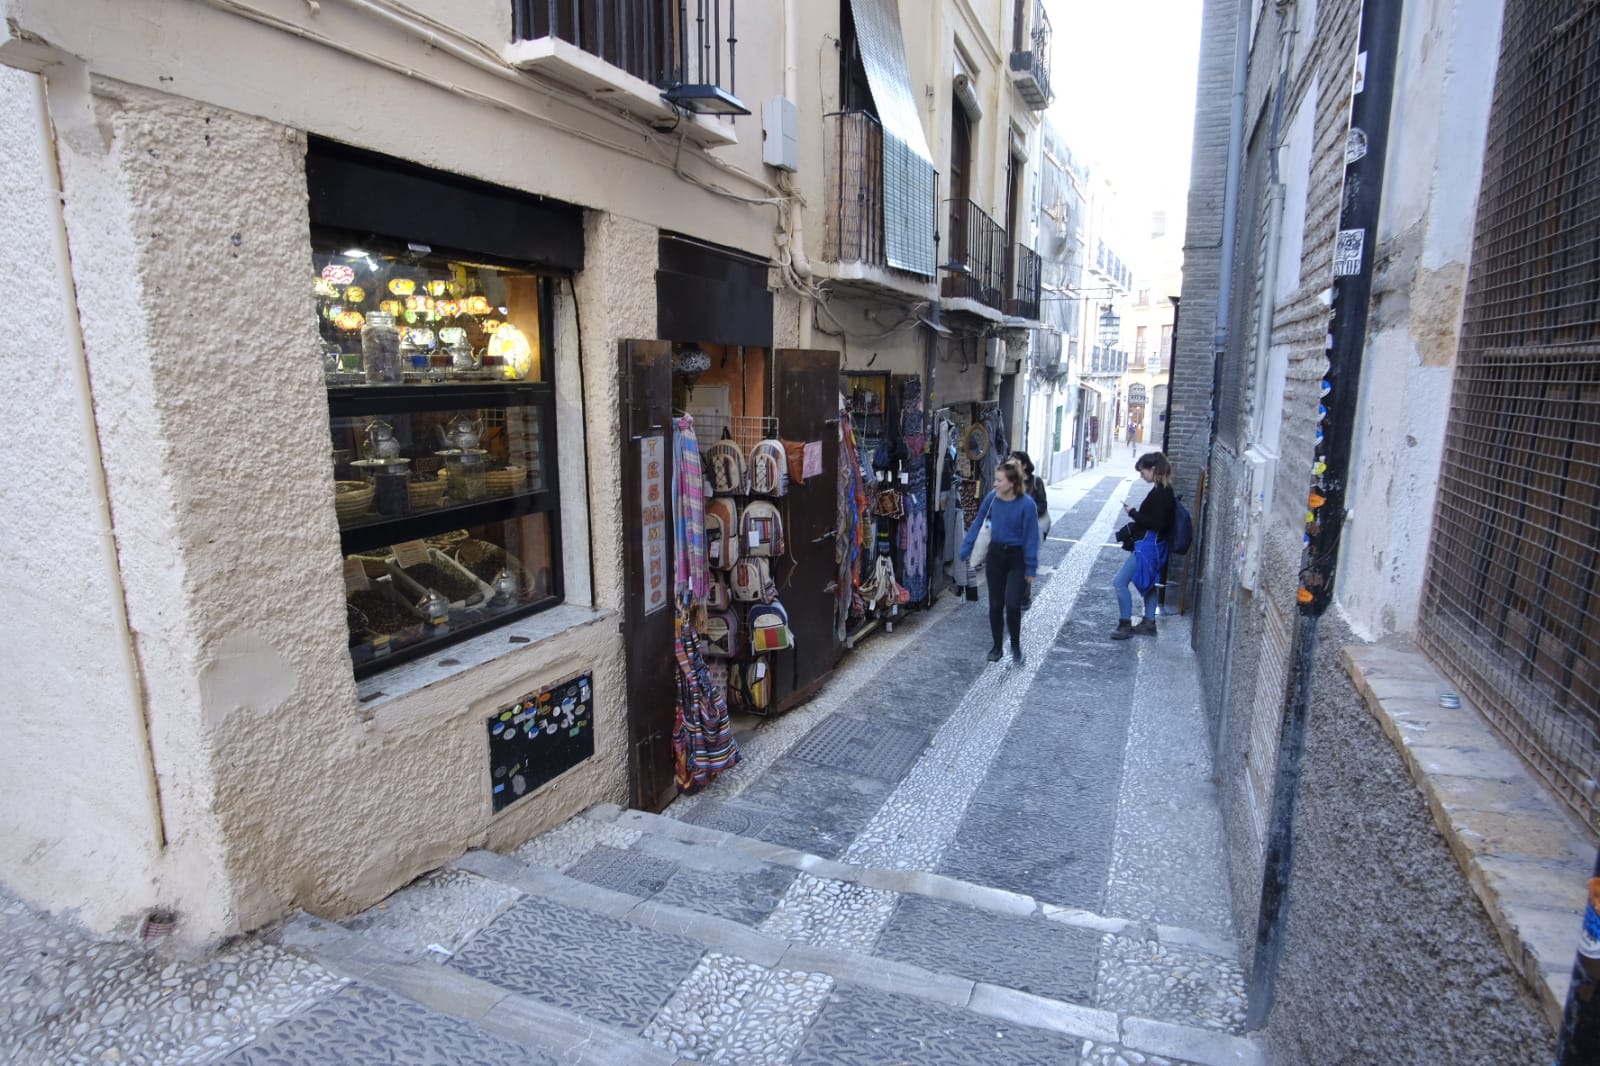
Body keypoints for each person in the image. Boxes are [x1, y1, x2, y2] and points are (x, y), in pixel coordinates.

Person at [958, 460, 1039, 664]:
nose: (994, 484)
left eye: (999, 480)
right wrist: (966, 546)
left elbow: (1031, 537)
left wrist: (1031, 567)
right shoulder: (992, 499)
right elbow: (979, 522)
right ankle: (996, 647)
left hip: (1017, 558)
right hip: (996, 556)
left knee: (1012, 604)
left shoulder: (1027, 505)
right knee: (995, 605)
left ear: (1012, 482)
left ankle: (1015, 645)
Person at [1111, 451, 1176, 639]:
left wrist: (1133, 513)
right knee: (1148, 584)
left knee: (1120, 582)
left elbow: (1156, 523)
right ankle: (1149, 622)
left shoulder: (1161, 494)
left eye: (1143, 472)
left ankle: (1125, 625)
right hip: (1154, 545)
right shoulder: (1163, 491)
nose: (1141, 476)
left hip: (1148, 547)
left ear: (1153, 469)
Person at [1011, 450, 1050, 610]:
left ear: (1024, 465)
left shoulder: (1036, 482)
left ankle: (1024, 597)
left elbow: (1043, 504)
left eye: (1016, 463)